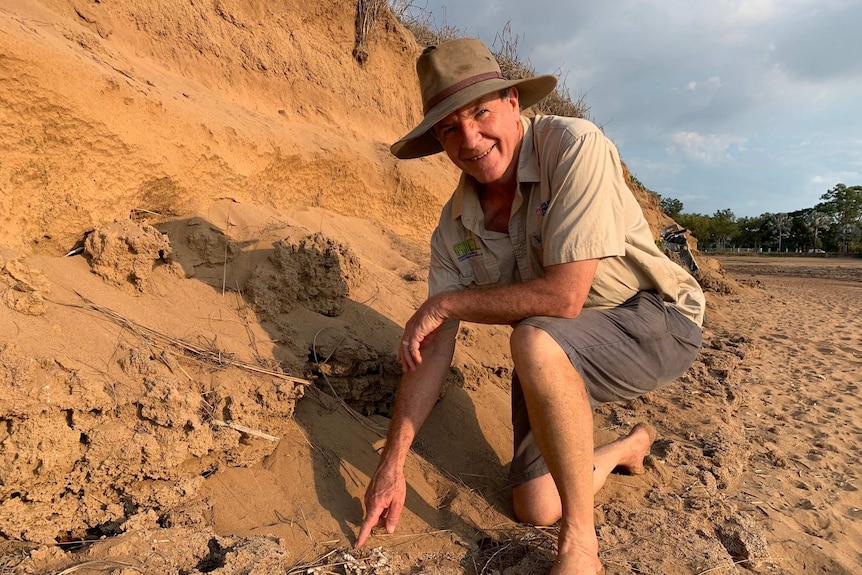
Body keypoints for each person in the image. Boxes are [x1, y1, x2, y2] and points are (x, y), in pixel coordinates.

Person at [355, 37, 704, 575]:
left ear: (514, 102)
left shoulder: (574, 146)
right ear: (438, 141)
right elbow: (434, 349)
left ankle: (580, 547)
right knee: (536, 505)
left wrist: (450, 301)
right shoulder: (454, 228)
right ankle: (624, 447)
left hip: (654, 317)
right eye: (450, 127)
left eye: (481, 112)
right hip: (559, 351)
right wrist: (392, 464)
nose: (470, 139)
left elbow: (564, 297)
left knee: (532, 338)